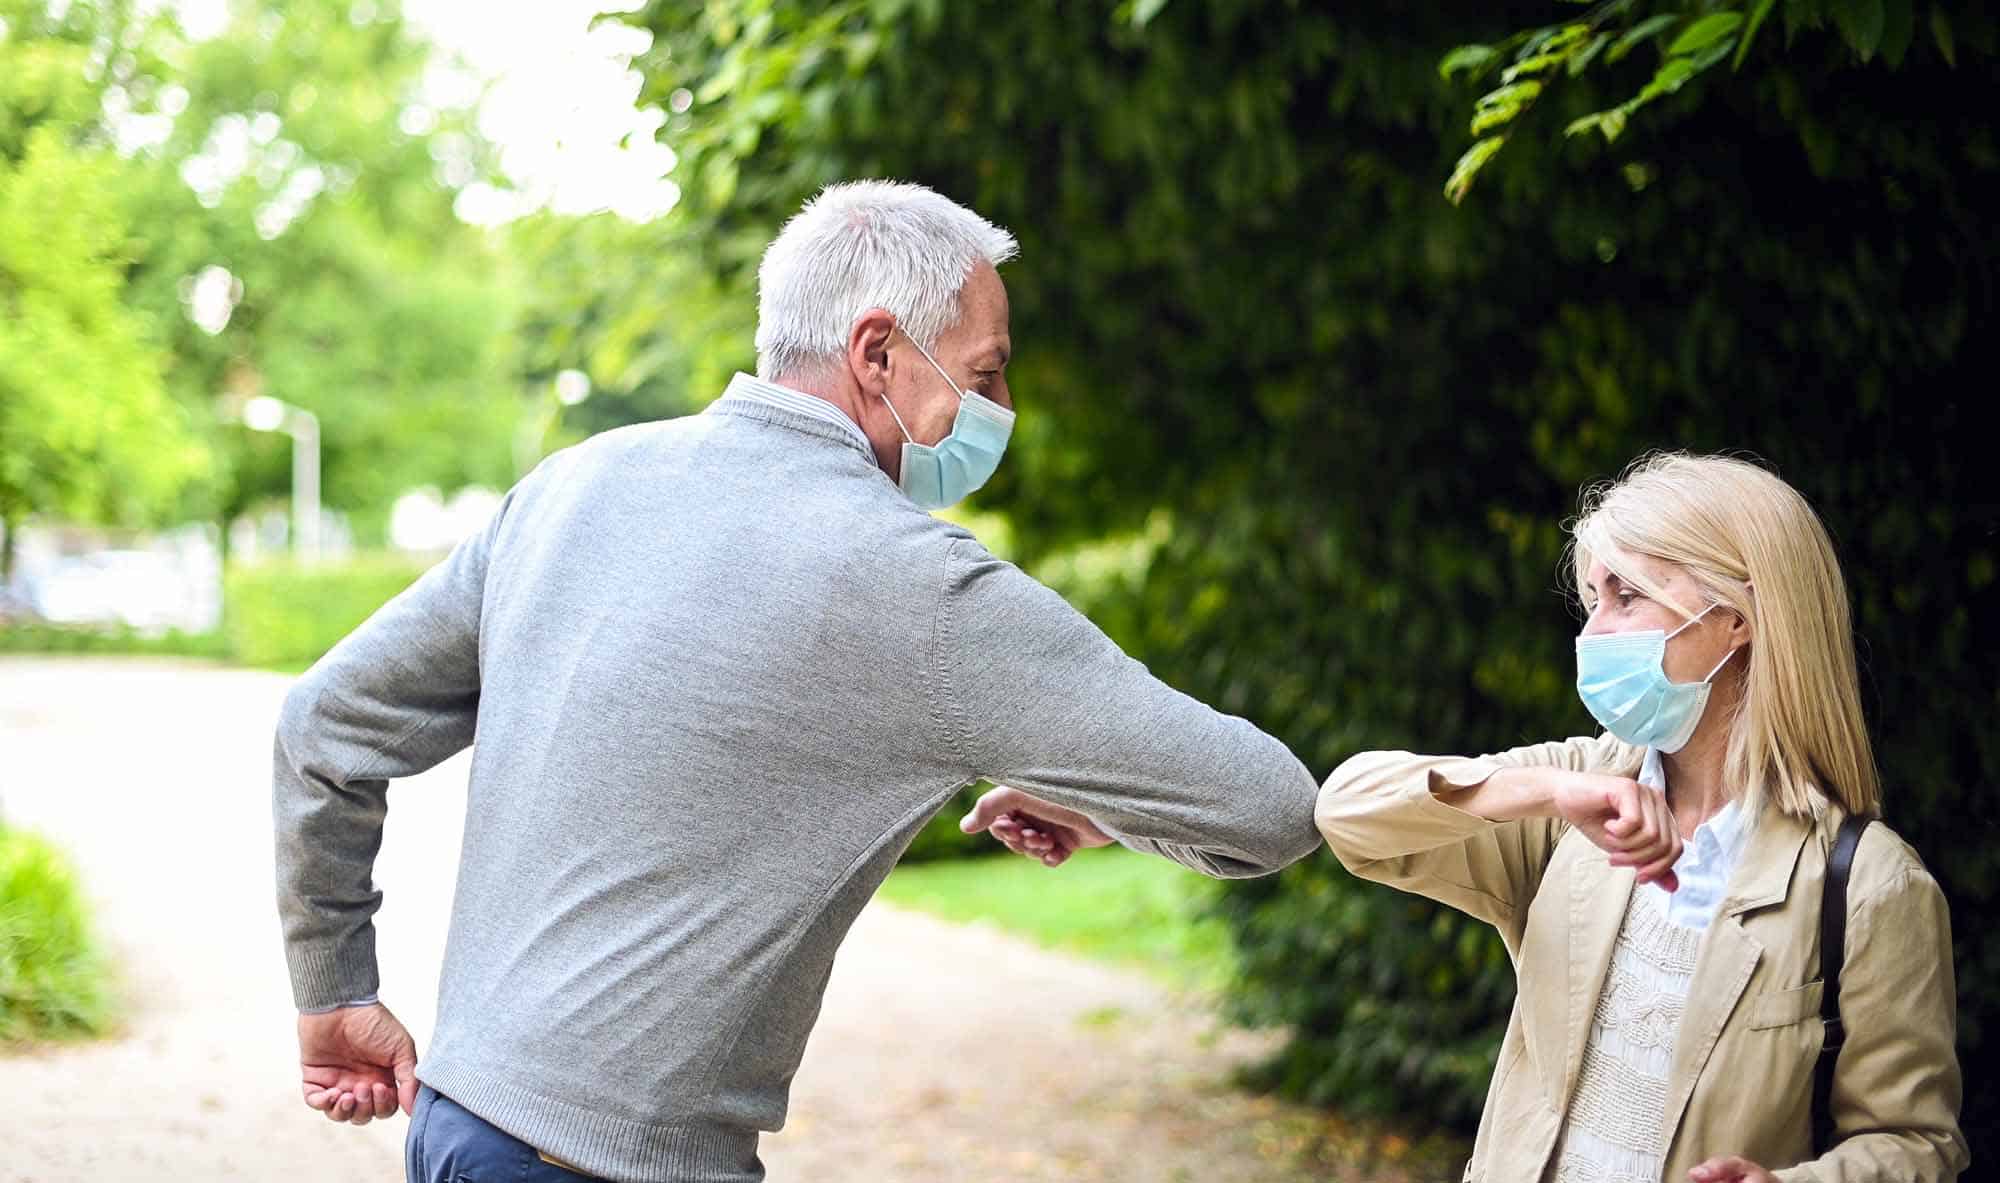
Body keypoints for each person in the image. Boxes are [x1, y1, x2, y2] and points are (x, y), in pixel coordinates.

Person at [271, 180, 1322, 1183]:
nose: (1002, 407)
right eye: (988, 372)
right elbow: (1268, 807)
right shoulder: (924, 590)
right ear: (877, 352)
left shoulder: (570, 488)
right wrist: (1116, 808)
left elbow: (323, 722)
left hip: (458, 1127)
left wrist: (333, 990)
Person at [1310, 453, 1966, 1182]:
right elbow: (1345, 811)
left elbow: (1918, 1142)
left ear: (1737, 620)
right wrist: (1547, 793)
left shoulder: (1871, 884)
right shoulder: (1572, 801)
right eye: (1592, 598)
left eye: (1627, 596)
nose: (1593, 633)